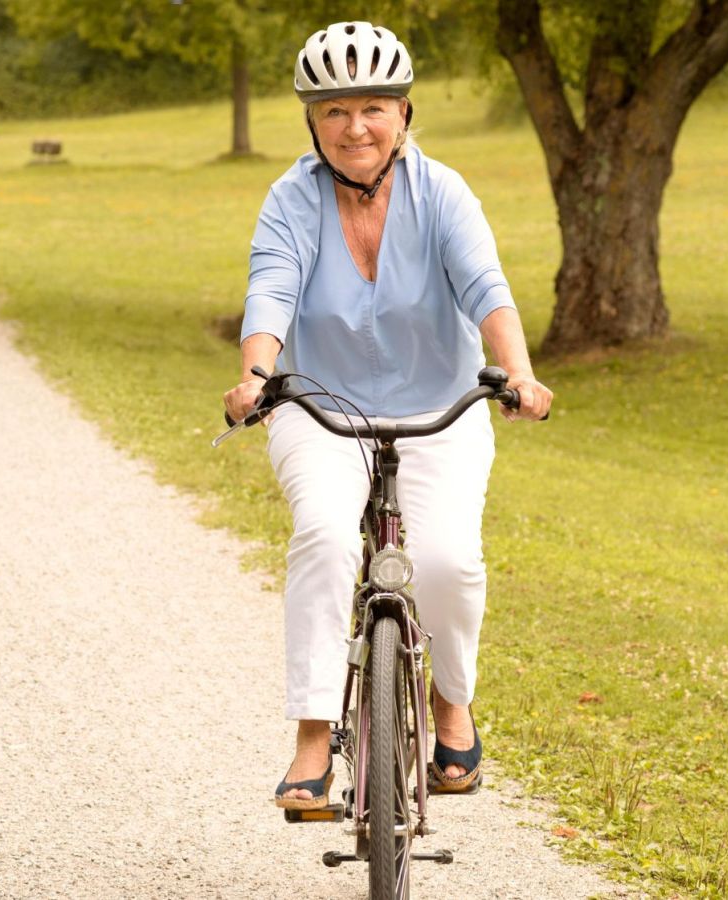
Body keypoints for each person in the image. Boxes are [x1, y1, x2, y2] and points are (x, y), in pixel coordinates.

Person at [223, 21, 553, 809]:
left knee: (448, 562)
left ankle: (451, 703)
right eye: (334, 111)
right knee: (325, 536)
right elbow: (271, 290)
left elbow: (486, 288)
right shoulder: (291, 199)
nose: (355, 127)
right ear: (312, 121)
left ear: (404, 113)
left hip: (440, 408)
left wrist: (519, 373)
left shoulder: (443, 193)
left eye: (373, 107)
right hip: (321, 409)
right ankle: (313, 737)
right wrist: (256, 376)